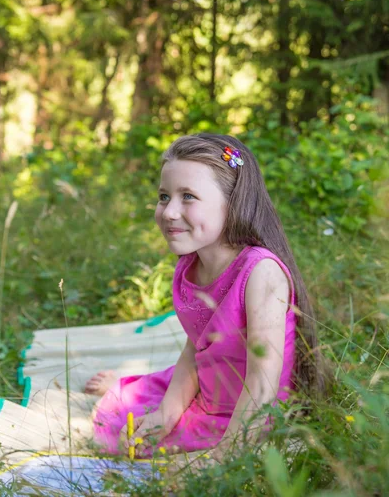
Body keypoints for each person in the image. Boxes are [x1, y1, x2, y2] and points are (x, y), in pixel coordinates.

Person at [85, 133, 325, 461]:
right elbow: (196, 350)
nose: (169, 212)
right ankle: (127, 387)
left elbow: (261, 382)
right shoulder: (190, 265)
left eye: (188, 197)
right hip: (209, 386)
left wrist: (224, 455)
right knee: (133, 422)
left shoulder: (261, 273)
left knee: (120, 441)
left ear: (233, 202)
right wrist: (166, 415)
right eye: (164, 196)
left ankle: (132, 391)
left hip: (246, 410)